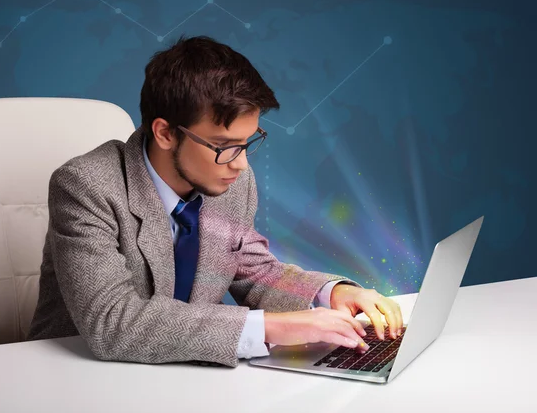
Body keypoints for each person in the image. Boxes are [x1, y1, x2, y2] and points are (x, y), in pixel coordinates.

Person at [27, 35, 403, 367]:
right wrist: (270, 327)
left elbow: (254, 271)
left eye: (247, 142)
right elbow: (112, 322)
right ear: (165, 133)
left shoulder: (232, 181)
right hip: (81, 376)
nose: (240, 164)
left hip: (186, 372)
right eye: (223, 146)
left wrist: (333, 292)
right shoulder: (86, 185)